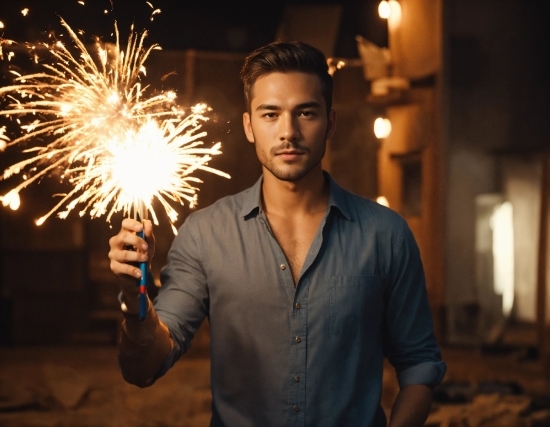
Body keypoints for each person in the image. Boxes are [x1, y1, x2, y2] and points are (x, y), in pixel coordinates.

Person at [108, 41, 446, 427]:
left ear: (330, 122)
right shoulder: (205, 234)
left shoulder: (386, 235)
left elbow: (419, 364)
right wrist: (133, 298)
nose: (289, 132)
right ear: (250, 126)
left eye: (306, 113)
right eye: (271, 114)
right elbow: (144, 368)